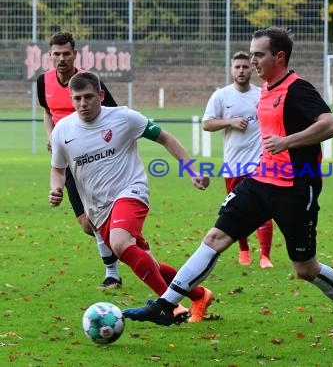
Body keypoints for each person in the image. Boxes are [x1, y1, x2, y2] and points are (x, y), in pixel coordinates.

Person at [123, 27, 333, 347]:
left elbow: (331, 125)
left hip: (295, 188)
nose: (252, 60)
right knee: (215, 237)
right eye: (250, 54)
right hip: (259, 181)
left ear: (279, 57)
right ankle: (165, 306)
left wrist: (286, 142)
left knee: (305, 268)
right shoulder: (266, 88)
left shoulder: (297, 89)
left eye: (258, 54)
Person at [48, 71, 214, 323]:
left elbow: (165, 138)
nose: (83, 104)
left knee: (119, 243)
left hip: (131, 191)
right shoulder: (62, 130)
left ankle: (169, 306)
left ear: (101, 95)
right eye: (77, 98)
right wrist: (56, 188)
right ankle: (200, 295)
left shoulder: (123, 117)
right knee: (145, 261)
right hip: (98, 209)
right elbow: (58, 169)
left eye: (89, 97)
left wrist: (192, 169)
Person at [38, 31, 123, 290]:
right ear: (50, 56)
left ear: (75, 54)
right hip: (67, 161)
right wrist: (52, 138)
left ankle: (113, 274)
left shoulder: (87, 81)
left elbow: (113, 112)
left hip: (94, 158)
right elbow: (47, 113)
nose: (61, 58)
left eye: (66, 54)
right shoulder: (43, 81)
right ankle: (128, 244)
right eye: (57, 54)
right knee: (87, 223)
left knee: (100, 217)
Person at [202, 50, 274, 268]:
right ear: (231, 70)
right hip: (234, 165)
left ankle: (265, 256)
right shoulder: (221, 96)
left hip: (259, 162)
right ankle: (244, 250)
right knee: (237, 209)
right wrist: (229, 122)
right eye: (238, 67)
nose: (242, 70)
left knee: (264, 208)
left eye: (245, 66)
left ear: (252, 68)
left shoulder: (262, 94)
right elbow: (207, 124)